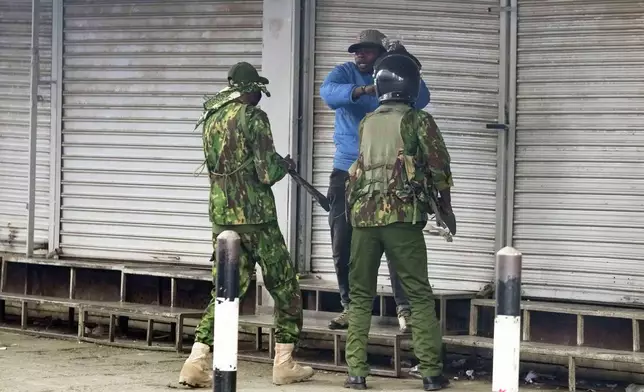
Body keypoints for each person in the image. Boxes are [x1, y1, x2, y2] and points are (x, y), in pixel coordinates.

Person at [179, 62, 314, 388]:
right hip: (256, 219)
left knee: (226, 292)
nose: (259, 98)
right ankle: (284, 362)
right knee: (285, 285)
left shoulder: (211, 118)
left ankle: (196, 361)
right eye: (258, 92)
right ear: (250, 89)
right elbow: (266, 172)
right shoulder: (254, 118)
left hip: (222, 217)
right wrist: (285, 164)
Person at [343, 52, 454, 391]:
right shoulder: (419, 121)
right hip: (402, 219)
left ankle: (356, 373)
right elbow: (439, 169)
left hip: (363, 218)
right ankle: (432, 373)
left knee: (360, 295)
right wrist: (446, 210)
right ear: (411, 84)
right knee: (418, 293)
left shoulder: (368, 121)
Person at [319, 29, 431, 333]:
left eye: (367, 51)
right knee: (343, 240)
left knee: (398, 240)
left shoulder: (396, 74)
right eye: (357, 50)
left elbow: (422, 98)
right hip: (347, 171)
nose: (360, 55)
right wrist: (363, 91)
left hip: (391, 175)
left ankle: (405, 309)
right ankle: (351, 307)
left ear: (382, 53)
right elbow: (327, 92)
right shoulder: (346, 72)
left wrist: (405, 61)